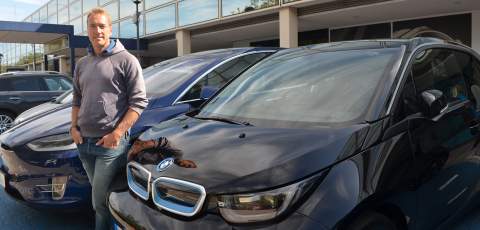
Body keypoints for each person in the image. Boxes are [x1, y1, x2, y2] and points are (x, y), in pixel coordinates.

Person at [70, 7, 148, 230]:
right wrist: (73, 128)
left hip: (110, 145)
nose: (98, 30)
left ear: (110, 29)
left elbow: (139, 102)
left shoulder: (126, 60)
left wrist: (116, 133)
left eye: (102, 26)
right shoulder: (82, 64)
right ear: (87, 30)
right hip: (83, 142)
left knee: (99, 201)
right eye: (93, 26)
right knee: (103, 199)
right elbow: (76, 99)